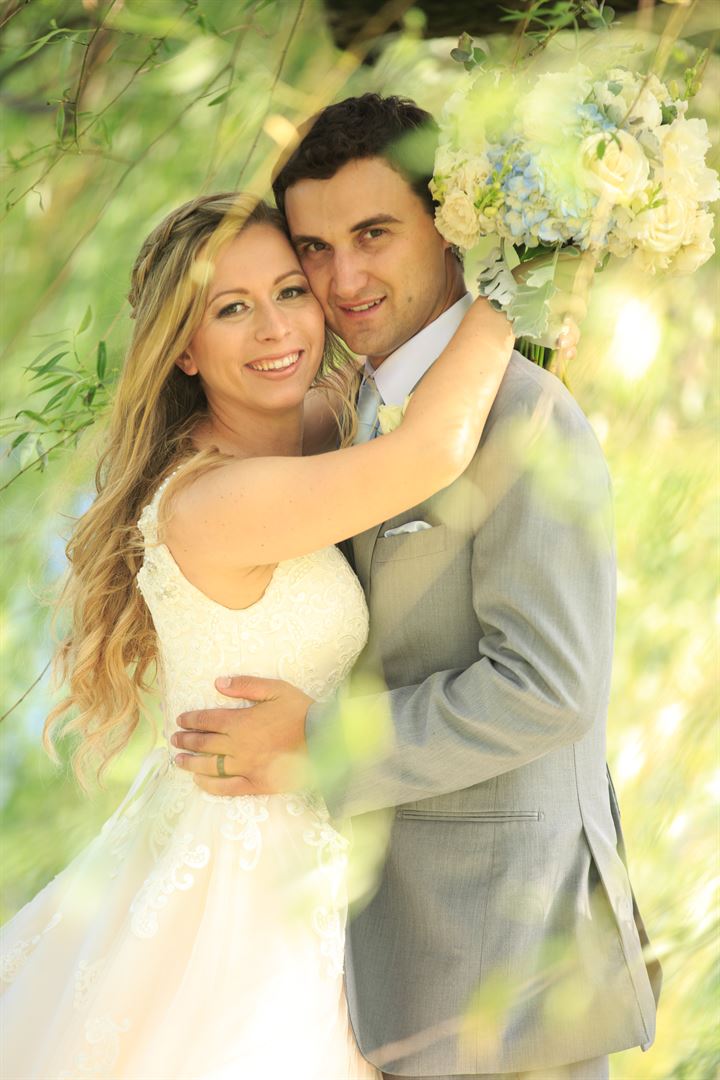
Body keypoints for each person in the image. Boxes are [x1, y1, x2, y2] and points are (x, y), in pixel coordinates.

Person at [173, 96, 662, 1080]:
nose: (344, 280)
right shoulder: (354, 413)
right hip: (383, 957)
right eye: (315, 250)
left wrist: (319, 743)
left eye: (374, 234)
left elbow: (549, 689)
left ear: (447, 228)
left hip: (507, 961)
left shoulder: (524, 417)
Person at [0, 192, 514, 1080]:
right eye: (232, 309)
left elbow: (377, 394)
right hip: (249, 872)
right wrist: (522, 283)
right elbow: (430, 451)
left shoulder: (301, 429)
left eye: (290, 291)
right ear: (184, 350)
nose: (276, 329)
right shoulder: (215, 501)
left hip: (314, 830)